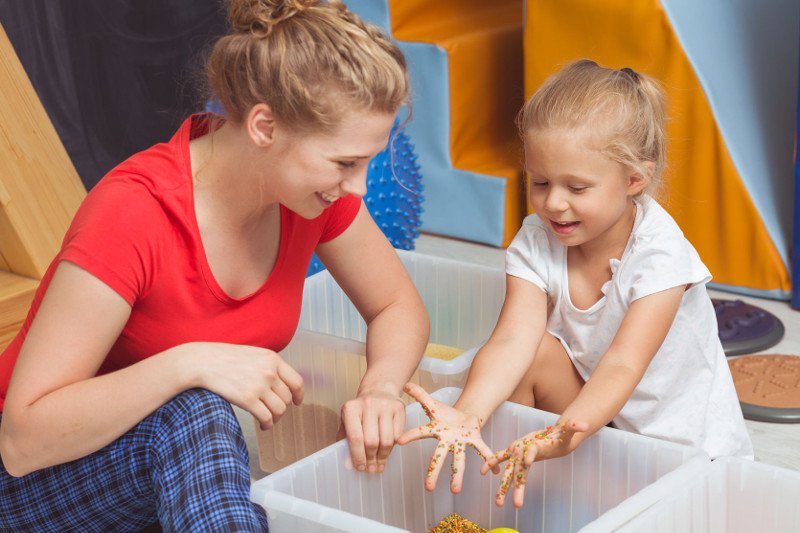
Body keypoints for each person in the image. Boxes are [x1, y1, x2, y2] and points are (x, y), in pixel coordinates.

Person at [0, 0, 429, 530]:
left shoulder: (314, 196)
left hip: (144, 475)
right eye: (345, 163)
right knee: (195, 407)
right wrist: (190, 362)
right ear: (265, 127)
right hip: (28, 481)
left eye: (367, 163)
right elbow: (23, 440)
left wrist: (381, 388)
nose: (359, 187)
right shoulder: (135, 213)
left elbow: (396, 304)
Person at [399, 59, 753, 509]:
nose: (554, 203)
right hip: (598, 424)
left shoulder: (660, 254)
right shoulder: (537, 237)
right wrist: (467, 412)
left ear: (634, 180)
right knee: (533, 354)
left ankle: (572, 479)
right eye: (541, 182)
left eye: (577, 187)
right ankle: (535, 489)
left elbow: (623, 364)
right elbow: (511, 339)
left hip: (685, 450)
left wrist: (565, 434)